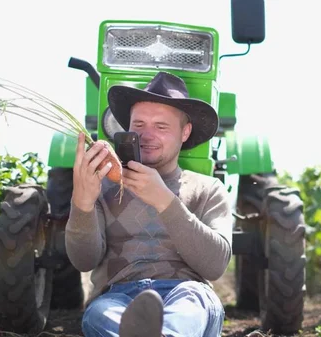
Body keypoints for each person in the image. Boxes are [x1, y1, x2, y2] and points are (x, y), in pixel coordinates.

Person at [65, 71, 232, 337]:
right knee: (99, 311)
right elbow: (84, 260)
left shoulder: (208, 189)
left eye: (161, 126)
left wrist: (165, 200)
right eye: (139, 124)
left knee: (193, 303)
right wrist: (82, 204)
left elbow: (215, 265)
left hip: (185, 291)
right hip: (118, 296)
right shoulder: (102, 186)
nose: (146, 135)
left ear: (185, 132)